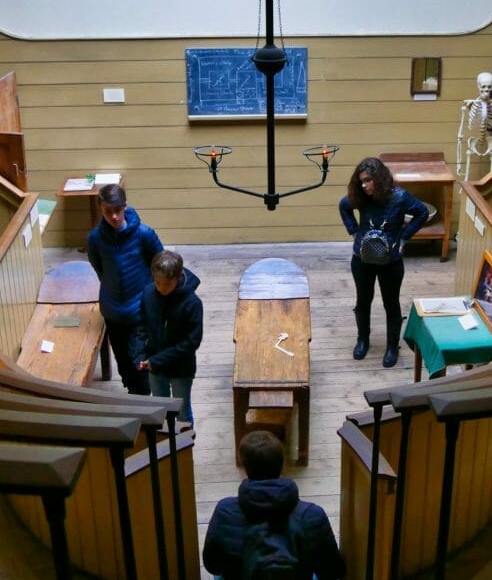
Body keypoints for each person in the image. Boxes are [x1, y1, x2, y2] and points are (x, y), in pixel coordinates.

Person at [203, 430, 345, 580]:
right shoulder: (312, 515)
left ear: (245, 468)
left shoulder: (225, 511)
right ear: (282, 465)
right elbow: (333, 569)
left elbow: (212, 564)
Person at [338, 157, 429, 368]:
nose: (364, 185)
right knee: (363, 302)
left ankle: (391, 346)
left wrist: (404, 237)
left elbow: (422, 212)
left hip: (391, 261)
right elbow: (344, 206)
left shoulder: (399, 197)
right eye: (361, 181)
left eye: (368, 180)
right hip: (362, 259)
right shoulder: (360, 197)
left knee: (391, 304)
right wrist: (354, 232)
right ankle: (363, 340)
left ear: (379, 179)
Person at [86, 184, 163, 395]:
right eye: (107, 211)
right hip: (112, 311)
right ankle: (134, 395)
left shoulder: (144, 234)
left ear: (125, 206)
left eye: (118, 210)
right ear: (101, 209)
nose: (114, 216)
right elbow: (99, 268)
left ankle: (144, 401)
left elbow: (160, 265)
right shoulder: (95, 239)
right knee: (123, 361)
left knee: (139, 360)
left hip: (140, 309)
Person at [134, 249, 203, 425]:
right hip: (155, 367)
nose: (162, 288)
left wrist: (157, 360)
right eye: (157, 282)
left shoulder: (192, 303)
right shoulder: (149, 293)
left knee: (182, 412)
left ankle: (184, 450)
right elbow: (141, 326)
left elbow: (191, 342)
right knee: (161, 409)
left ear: (179, 276)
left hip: (181, 368)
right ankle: (165, 447)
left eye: (167, 283)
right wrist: (140, 354)